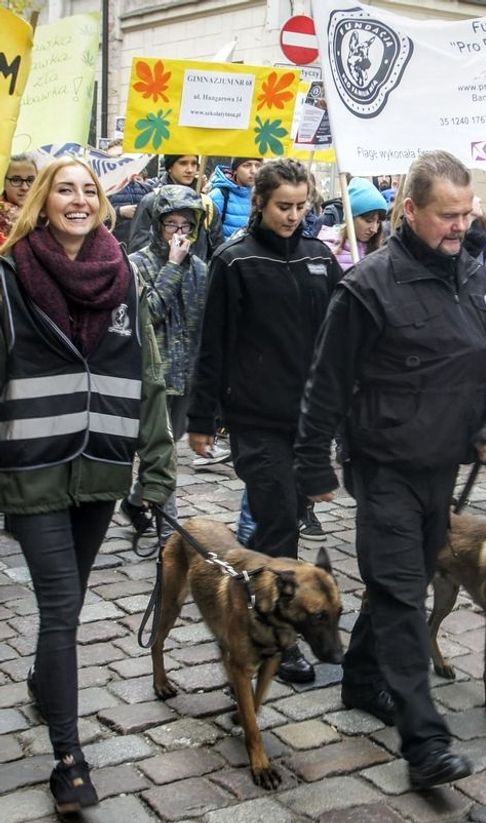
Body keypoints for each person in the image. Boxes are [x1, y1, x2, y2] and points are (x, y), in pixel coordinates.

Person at [294, 150, 486, 788]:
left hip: (444, 471)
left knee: (406, 580)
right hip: (384, 468)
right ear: (410, 210)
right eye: (448, 214)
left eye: (467, 213)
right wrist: (312, 465)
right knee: (398, 595)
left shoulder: (473, 275)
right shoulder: (366, 287)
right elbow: (325, 385)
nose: (460, 225)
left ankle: (361, 681)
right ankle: (425, 741)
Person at [0, 157, 175, 813]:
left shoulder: (125, 276)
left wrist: (156, 471)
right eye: (64, 189)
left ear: (102, 202)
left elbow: (149, 378)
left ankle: (49, 685)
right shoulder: (9, 276)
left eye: (88, 190)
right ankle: (69, 758)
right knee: (59, 605)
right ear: (43, 202)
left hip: (102, 466)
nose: (78, 199)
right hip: (33, 467)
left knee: (67, 607)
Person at [187, 158, 343, 683]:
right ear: (261, 202)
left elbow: (338, 336)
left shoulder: (321, 257)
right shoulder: (234, 261)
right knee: (277, 517)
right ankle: (281, 632)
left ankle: (257, 582)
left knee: (289, 517)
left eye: (301, 207)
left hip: (309, 418)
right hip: (255, 416)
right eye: (283, 206)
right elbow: (213, 344)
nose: (293, 216)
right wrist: (201, 416)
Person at [120, 186, 210, 542]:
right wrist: (171, 267)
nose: (178, 233)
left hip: (185, 375)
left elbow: (201, 323)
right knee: (164, 453)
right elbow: (151, 312)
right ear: (157, 225)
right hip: (152, 376)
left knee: (173, 443)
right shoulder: (137, 263)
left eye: (185, 226)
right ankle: (169, 532)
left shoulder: (200, 268)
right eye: (170, 224)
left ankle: (135, 501)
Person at [318, 176, 388, 269]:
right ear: (351, 217)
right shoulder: (325, 250)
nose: (374, 229)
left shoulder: (381, 253)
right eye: (368, 221)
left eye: (378, 222)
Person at [207, 157, 261, 240]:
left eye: (258, 166)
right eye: (247, 165)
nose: (253, 171)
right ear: (235, 170)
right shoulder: (219, 195)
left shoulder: (262, 196)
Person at [1, 153, 37, 243]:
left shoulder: (49, 213)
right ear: (3, 183)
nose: (25, 187)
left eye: (30, 180)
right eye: (16, 180)